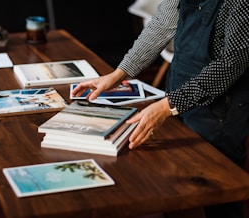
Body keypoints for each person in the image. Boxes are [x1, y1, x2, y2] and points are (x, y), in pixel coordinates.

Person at [72, 0, 249, 217]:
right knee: (172, 182)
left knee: (220, 191)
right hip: (179, 85)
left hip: (222, 107)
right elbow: (162, 25)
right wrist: (119, 74)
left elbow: (232, 62)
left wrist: (168, 106)